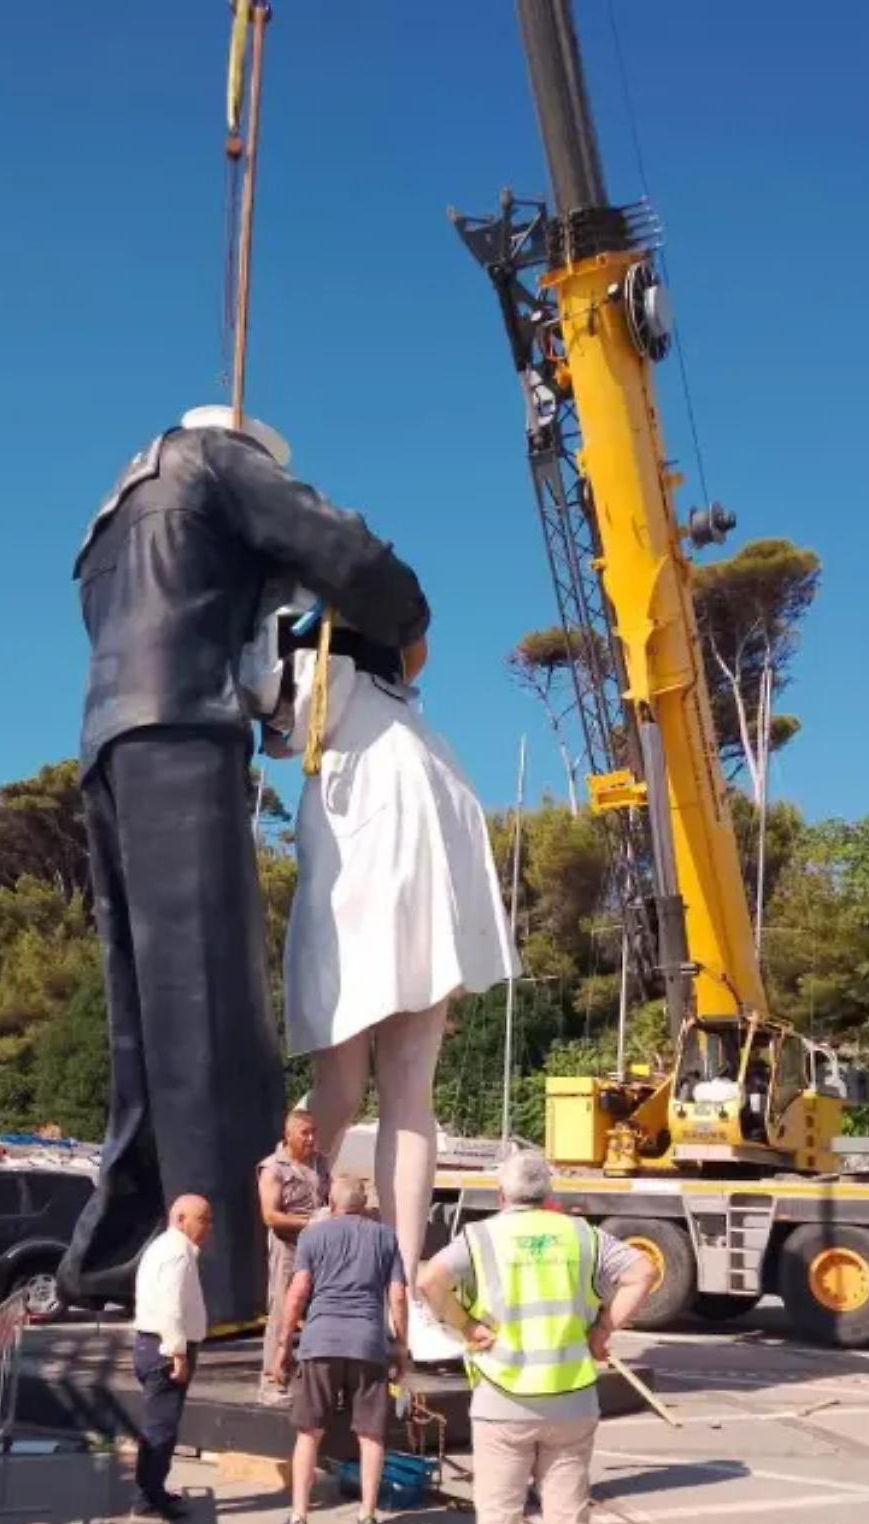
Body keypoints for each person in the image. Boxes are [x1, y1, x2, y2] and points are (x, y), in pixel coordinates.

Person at [58, 404, 429, 1327]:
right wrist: (405, 616)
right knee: (212, 1011)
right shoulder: (214, 460)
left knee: (145, 1028)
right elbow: (343, 551)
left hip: (108, 740)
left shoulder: (110, 518)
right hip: (183, 732)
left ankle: (120, 1253)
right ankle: (225, 1286)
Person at [268, 613, 517, 1359]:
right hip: (411, 857)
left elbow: (278, 715)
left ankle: (369, 1280)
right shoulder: (415, 728)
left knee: (358, 1091)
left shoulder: (329, 685)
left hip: (376, 866)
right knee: (389, 1094)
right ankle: (385, 1281)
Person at [417, 1151, 655, 1524]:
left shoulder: (481, 1238)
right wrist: (604, 1329)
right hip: (571, 1401)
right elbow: (642, 1271)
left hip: (503, 1401)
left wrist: (466, 1326)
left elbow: (430, 1279)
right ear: (549, 1194)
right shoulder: (581, 1236)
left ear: (501, 1195)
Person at [271, 1174, 408, 1524]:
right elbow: (397, 1295)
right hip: (368, 1344)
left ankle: (298, 1520)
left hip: (320, 1342)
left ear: (331, 1204)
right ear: (364, 1206)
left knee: (309, 1432)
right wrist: (401, 1347)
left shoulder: (313, 1236)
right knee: (371, 1435)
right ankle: (367, 1519)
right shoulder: (385, 1237)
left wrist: (284, 1345)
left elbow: (298, 1292)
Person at [131, 1193, 213, 1521]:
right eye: (203, 1219)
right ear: (180, 1219)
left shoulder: (165, 1248)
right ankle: (149, 1498)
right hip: (164, 1350)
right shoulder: (177, 1253)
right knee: (161, 1430)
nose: (208, 1227)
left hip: (153, 1346)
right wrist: (178, 1353)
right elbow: (170, 1307)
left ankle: (151, 1491)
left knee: (159, 1426)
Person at [257, 1107, 331, 1405]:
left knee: (321, 1313)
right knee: (281, 1314)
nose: (311, 1139)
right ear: (288, 1135)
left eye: (314, 1132)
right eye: (305, 1133)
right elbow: (270, 1216)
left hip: (320, 1249)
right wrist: (309, 1222)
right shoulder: (273, 1169)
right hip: (288, 1248)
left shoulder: (321, 1162)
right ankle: (271, 1381)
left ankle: (313, 1382)